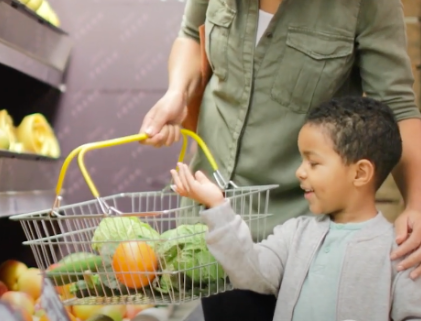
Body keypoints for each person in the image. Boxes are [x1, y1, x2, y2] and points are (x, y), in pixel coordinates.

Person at [139, 0, 421, 316]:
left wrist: (418, 203)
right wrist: (176, 93)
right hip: (207, 222)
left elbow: (397, 104)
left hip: (294, 236)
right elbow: (192, 37)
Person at [171, 96, 421, 321]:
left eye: (313, 163)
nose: (300, 172)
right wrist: (217, 206)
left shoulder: (400, 252)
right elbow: (249, 270)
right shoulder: (294, 234)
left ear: (360, 172)